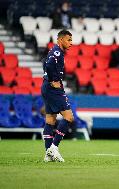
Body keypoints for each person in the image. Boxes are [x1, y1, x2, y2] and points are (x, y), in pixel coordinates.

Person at [41, 30, 74, 162]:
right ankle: (54, 147)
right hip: (53, 88)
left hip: (46, 88)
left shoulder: (54, 51)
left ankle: (48, 154)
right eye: (68, 40)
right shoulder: (57, 52)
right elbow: (48, 65)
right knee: (69, 117)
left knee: (50, 120)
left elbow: (44, 62)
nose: (71, 43)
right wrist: (52, 80)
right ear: (60, 40)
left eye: (71, 40)